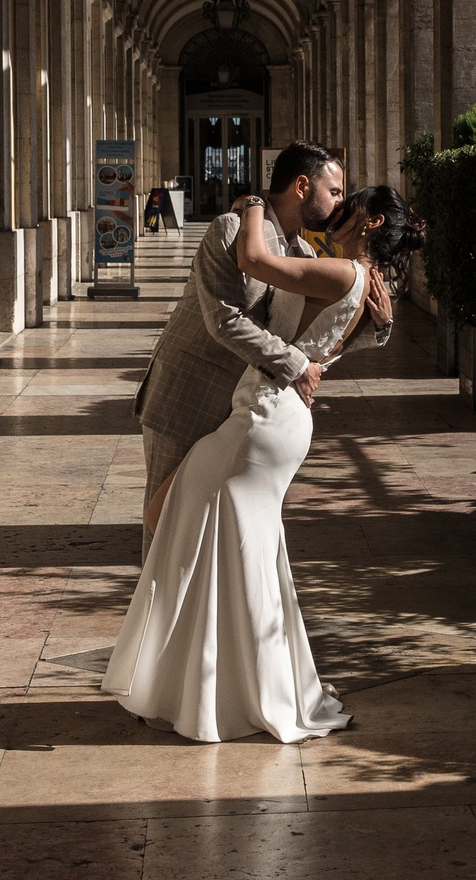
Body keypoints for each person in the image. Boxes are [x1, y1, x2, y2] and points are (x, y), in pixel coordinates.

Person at [104, 185, 426, 741]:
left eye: (348, 204)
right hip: (272, 414)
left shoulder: (344, 273)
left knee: (172, 516)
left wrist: (250, 200)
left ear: (369, 223)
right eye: (334, 193)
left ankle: (211, 685)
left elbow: (255, 260)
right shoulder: (361, 281)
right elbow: (363, 328)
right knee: (234, 544)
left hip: (262, 418)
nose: (337, 209)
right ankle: (227, 682)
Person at [133, 143, 395, 536]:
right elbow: (223, 320)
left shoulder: (304, 251)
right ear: (303, 186)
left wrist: (376, 327)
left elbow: (312, 336)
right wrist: (295, 367)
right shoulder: (231, 228)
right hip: (191, 399)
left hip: (248, 411)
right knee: (168, 531)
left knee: (224, 535)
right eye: (336, 191)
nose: (341, 203)